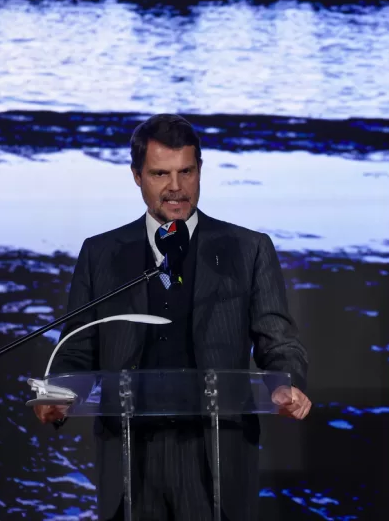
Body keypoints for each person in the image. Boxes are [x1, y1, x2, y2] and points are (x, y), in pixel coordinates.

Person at [33, 114, 311, 521]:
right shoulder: (101, 254)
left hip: (214, 453)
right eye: (160, 173)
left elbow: (277, 339)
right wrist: (60, 394)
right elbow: (77, 348)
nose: (176, 187)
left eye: (186, 172)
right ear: (137, 176)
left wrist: (287, 384)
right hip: (130, 454)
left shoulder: (247, 249)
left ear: (200, 170)